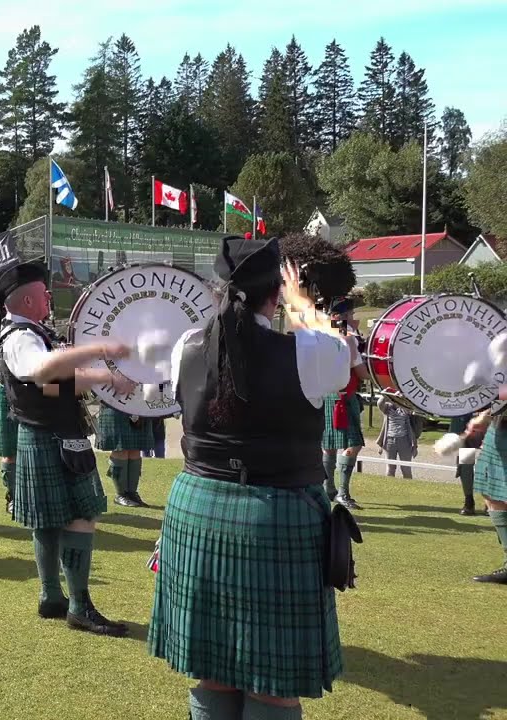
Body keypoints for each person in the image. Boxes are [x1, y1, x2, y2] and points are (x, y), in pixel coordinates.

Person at [149, 236, 352, 720]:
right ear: (276, 293)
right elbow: (345, 361)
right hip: (276, 516)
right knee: (274, 683)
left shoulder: (186, 345)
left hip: (197, 507)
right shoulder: (315, 350)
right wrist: (303, 304)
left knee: (212, 668)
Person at [0, 262, 133, 635]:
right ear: (26, 298)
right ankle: (78, 605)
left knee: (48, 520)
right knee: (80, 517)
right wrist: (101, 356)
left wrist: (93, 376)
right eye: (43, 293)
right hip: (52, 436)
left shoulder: (27, 333)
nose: (49, 297)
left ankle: (51, 595)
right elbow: (42, 371)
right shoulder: (21, 337)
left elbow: (51, 386)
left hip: (46, 433)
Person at [321, 298, 370, 510]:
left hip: (326, 395)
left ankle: (328, 489)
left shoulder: (319, 336)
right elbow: (362, 374)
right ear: (340, 317)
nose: (353, 318)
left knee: (329, 446)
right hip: (344, 396)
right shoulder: (348, 339)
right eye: (350, 314)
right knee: (354, 443)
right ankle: (343, 492)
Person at [467, 402, 507, 584]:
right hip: (487, 427)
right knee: (482, 481)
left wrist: (484, 416)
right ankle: (467, 501)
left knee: (495, 492)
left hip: (498, 424)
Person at [0, 305, 18, 515]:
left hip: (35, 392)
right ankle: (13, 497)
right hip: (8, 390)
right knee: (10, 452)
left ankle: (30, 495)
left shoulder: (38, 328)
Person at [96, 406, 154, 507]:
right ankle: (121, 495)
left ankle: (132, 494)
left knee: (135, 449)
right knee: (120, 449)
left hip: (139, 405)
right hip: (114, 404)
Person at [376, 396, 419, 479]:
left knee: (406, 468)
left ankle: (408, 488)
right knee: (390, 468)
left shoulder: (405, 408)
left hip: (405, 441)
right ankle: (391, 488)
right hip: (389, 440)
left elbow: (412, 408)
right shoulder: (387, 408)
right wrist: (387, 393)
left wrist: (402, 399)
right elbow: (379, 403)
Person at [450, 413, 481, 515]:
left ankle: (492, 502)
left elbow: (502, 399)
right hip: (466, 426)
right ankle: (469, 501)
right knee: (465, 468)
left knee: (492, 467)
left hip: (493, 424)